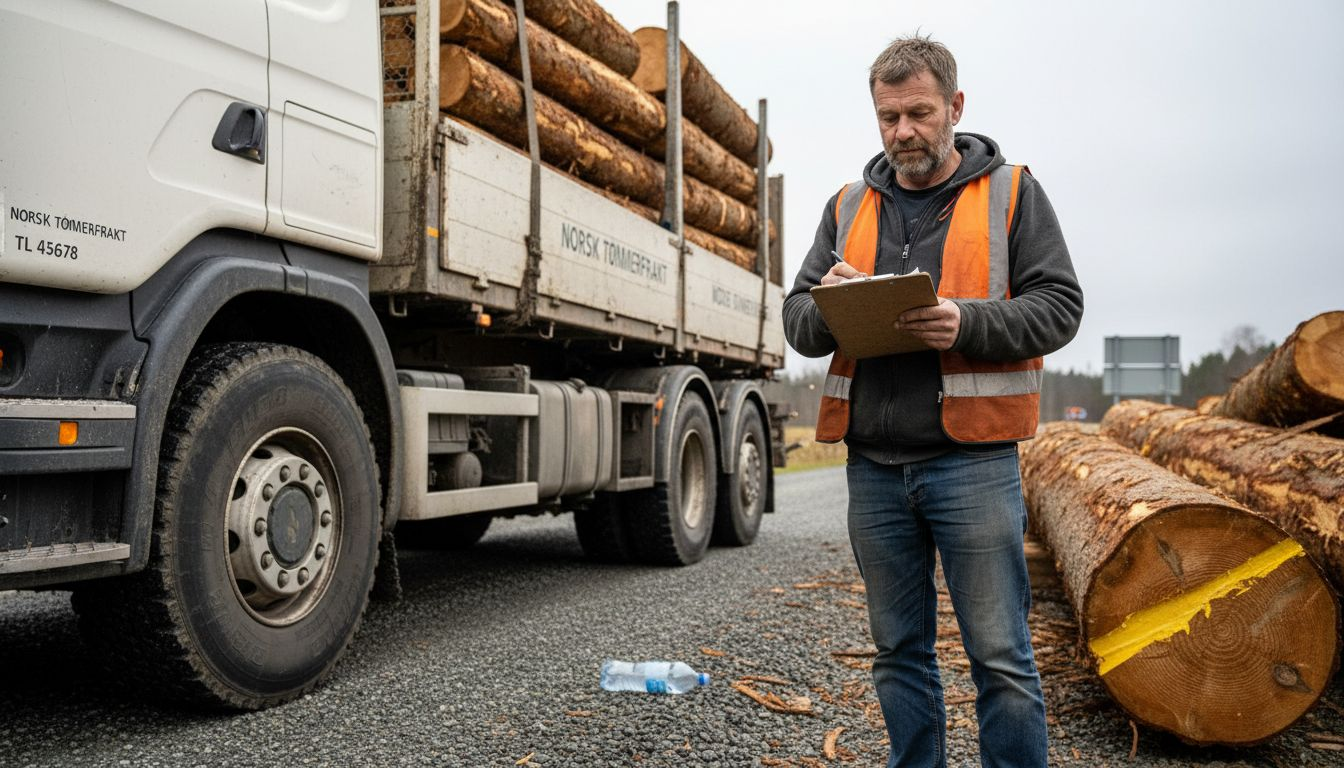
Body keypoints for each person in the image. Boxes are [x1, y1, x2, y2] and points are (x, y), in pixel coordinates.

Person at [783, 34, 1083, 768]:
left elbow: (1061, 307)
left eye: (918, 113)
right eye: (888, 117)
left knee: (1001, 656)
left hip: (973, 466)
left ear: (955, 106)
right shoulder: (848, 205)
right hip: (875, 469)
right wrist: (833, 303)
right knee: (897, 653)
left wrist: (965, 320)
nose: (902, 133)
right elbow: (797, 323)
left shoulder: (1012, 193)